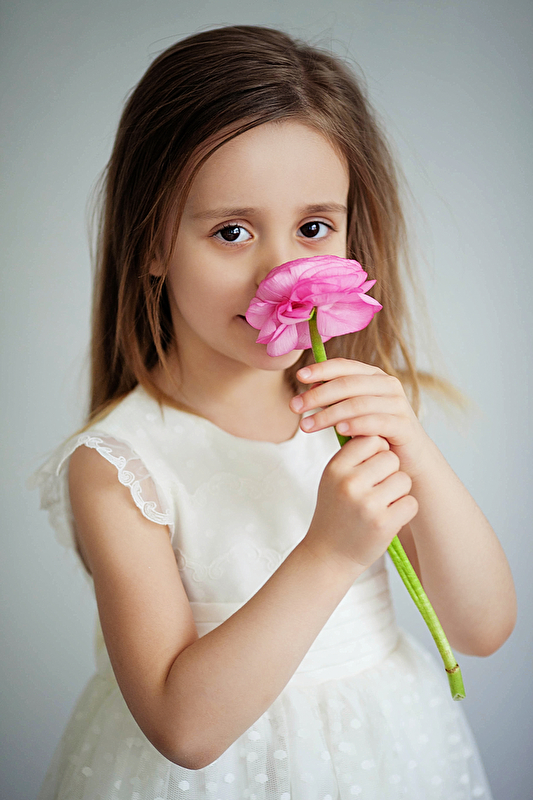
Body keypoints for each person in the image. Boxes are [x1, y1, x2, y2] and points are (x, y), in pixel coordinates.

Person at [30, 24, 516, 800]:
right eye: (231, 231)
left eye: (313, 228)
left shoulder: (362, 410)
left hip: (386, 753)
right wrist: (328, 553)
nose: (281, 271)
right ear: (151, 242)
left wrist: (413, 449)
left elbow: (482, 628)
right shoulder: (119, 465)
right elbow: (183, 730)